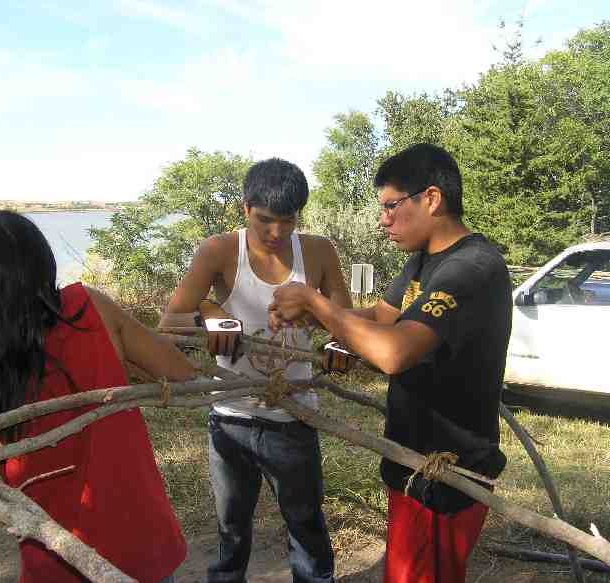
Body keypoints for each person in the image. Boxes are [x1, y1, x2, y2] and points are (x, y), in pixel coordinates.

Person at [270, 143, 511, 583]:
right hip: (410, 459)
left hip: (447, 472)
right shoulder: (424, 261)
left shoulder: (472, 268)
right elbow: (381, 319)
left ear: (432, 199)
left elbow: (393, 352)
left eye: (390, 206)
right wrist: (316, 316)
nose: (383, 220)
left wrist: (316, 302)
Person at [0, 210, 193, 583]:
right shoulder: (86, 307)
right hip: (141, 542)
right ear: (43, 266)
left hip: (56, 558)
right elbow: (181, 372)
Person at [162, 158, 351, 583]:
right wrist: (211, 313)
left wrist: (333, 334)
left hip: (295, 414)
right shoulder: (220, 250)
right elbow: (171, 321)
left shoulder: (318, 251)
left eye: (288, 221)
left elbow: (346, 322)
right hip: (231, 416)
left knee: (305, 521)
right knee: (231, 525)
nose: (276, 233)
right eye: (265, 220)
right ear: (244, 207)